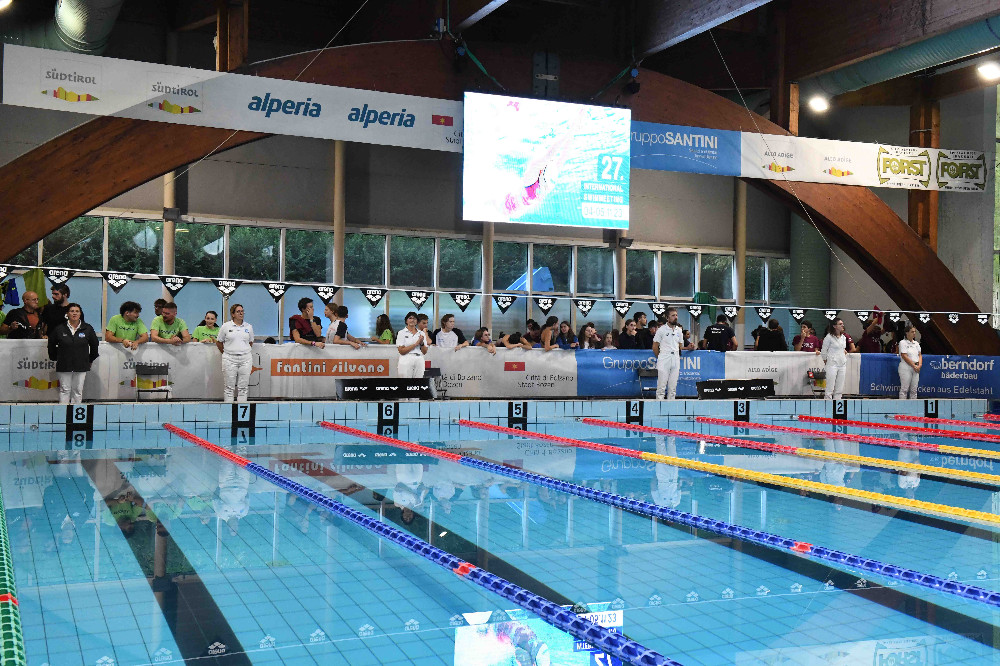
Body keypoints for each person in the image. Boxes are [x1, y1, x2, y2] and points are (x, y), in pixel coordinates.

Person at [47, 303, 99, 404]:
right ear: (67, 314)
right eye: (72, 311)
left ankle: (75, 411)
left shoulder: (87, 328)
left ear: (80, 314)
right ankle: (63, 411)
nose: (74, 313)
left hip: (81, 364)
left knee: (78, 391)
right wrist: (55, 357)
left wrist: (90, 360)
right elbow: (51, 344)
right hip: (64, 364)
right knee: (64, 389)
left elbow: (94, 345)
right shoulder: (59, 328)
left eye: (77, 311)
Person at [216, 303, 254, 402]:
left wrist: (242, 351)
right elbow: (219, 342)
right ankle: (229, 409)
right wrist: (227, 353)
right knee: (229, 387)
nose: (241, 313)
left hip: (246, 359)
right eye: (238, 311)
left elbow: (250, 342)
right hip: (229, 359)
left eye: (242, 311)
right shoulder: (226, 326)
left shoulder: (249, 327)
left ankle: (241, 409)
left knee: (243, 387)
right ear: (233, 314)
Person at [653, 307, 684, 400]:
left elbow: (680, 345)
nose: (676, 317)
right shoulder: (661, 330)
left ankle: (671, 406)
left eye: (676, 315)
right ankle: (659, 406)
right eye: (673, 315)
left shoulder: (679, 330)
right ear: (667, 318)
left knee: (673, 387)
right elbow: (655, 346)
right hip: (664, 357)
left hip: (675, 358)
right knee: (661, 387)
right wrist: (660, 357)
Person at [821, 318, 848, 399]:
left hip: (842, 364)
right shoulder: (829, 337)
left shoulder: (843, 337)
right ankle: (827, 403)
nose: (842, 325)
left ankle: (837, 402)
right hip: (832, 364)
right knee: (830, 387)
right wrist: (827, 361)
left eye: (842, 323)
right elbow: (823, 351)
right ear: (834, 326)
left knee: (839, 388)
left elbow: (842, 348)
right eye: (840, 324)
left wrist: (843, 352)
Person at [396, 311, 427, 378]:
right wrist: (415, 344)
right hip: (406, 358)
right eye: (410, 318)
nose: (412, 320)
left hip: (419, 358)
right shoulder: (401, 333)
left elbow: (424, 352)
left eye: (414, 318)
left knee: (419, 382)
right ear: (406, 321)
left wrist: (421, 343)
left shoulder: (421, 333)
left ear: (417, 321)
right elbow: (401, 351)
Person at [897, 322, 922, 399]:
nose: (914, 333)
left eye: (915, 332)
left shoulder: (916, 343)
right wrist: (914, 365)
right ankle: (902, 406)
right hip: (906, 367)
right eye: (912, 332)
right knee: (904, 389)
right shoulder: (902, 343)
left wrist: (919, 365)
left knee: (914, 390)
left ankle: (913, 406)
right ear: (907, 333)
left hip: (916, 368)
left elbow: (920, 355)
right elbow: (904, 355)